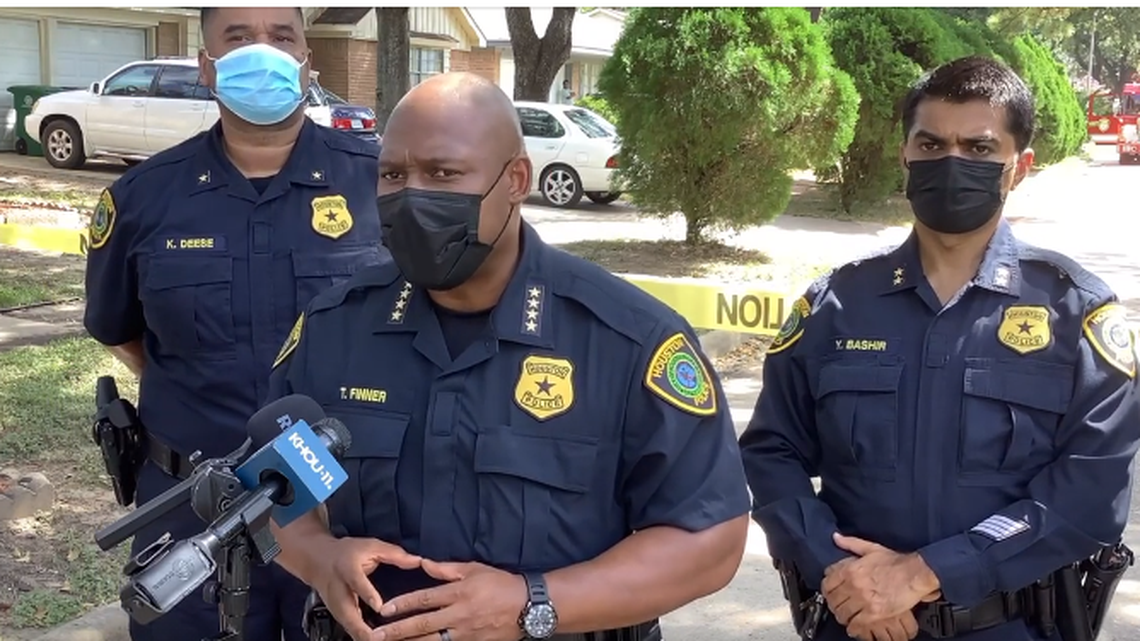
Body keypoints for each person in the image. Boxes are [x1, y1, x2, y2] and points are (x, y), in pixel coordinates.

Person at [265, 71, 751, 641]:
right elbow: (271, 496)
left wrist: (532, 603)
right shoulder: (335, 328)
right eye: (394, 175)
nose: (412, 195)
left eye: (443, 173)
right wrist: (321, 560)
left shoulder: (629, 340)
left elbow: (710, 540)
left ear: (516, 179)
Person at [739, 56, 1140, 641]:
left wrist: (926, 573)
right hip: (854, 621)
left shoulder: (1072, 310)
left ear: (1019, 166)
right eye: (931, 145)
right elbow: (772, 455)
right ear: (905, 154)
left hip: (1012, 626)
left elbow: (1091, 494)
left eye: (979, 149)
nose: (951, 163)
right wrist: (843, 574)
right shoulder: (836, 306)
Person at [83, 7, 388, 641]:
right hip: (192, 509)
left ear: (308, 63)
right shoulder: (142, 197)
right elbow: (121, 331)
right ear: (207, 66)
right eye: (238, 36)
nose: (263, 50)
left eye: (282, 36)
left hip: (348, 509)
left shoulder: (379, 183)